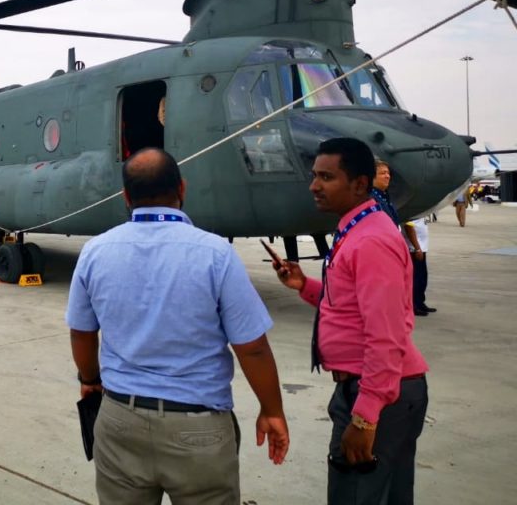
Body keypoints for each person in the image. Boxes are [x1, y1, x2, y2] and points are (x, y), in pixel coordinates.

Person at [67, 148, 288, 503]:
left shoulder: (95, 252)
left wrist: (90, 381)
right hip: (198, 428)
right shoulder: (216, 254)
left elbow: (81, 332)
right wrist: (273, 410)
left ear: (126, 196)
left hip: (120, 418)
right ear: (182, 189)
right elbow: (253, 346)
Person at [272, 137, 427, 505]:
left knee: (355, 494)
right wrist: (304, 286)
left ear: (359, 183)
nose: (314, 186)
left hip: (378, 393)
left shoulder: (370, 240)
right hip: (379, 389)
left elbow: (386, 335)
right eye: (314, 176)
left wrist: (365, 417)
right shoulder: (356, 228)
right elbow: (349, 306)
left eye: (326, 177)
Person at [405, 216, 436, 316]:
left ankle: (420, 302)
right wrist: (417, 248)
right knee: (416, 280)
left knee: (422, 278)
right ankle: (414, 305)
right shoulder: (412, 213)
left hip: (422, 248)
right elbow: (409, 228)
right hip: (415, 250)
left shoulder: (422, 212)